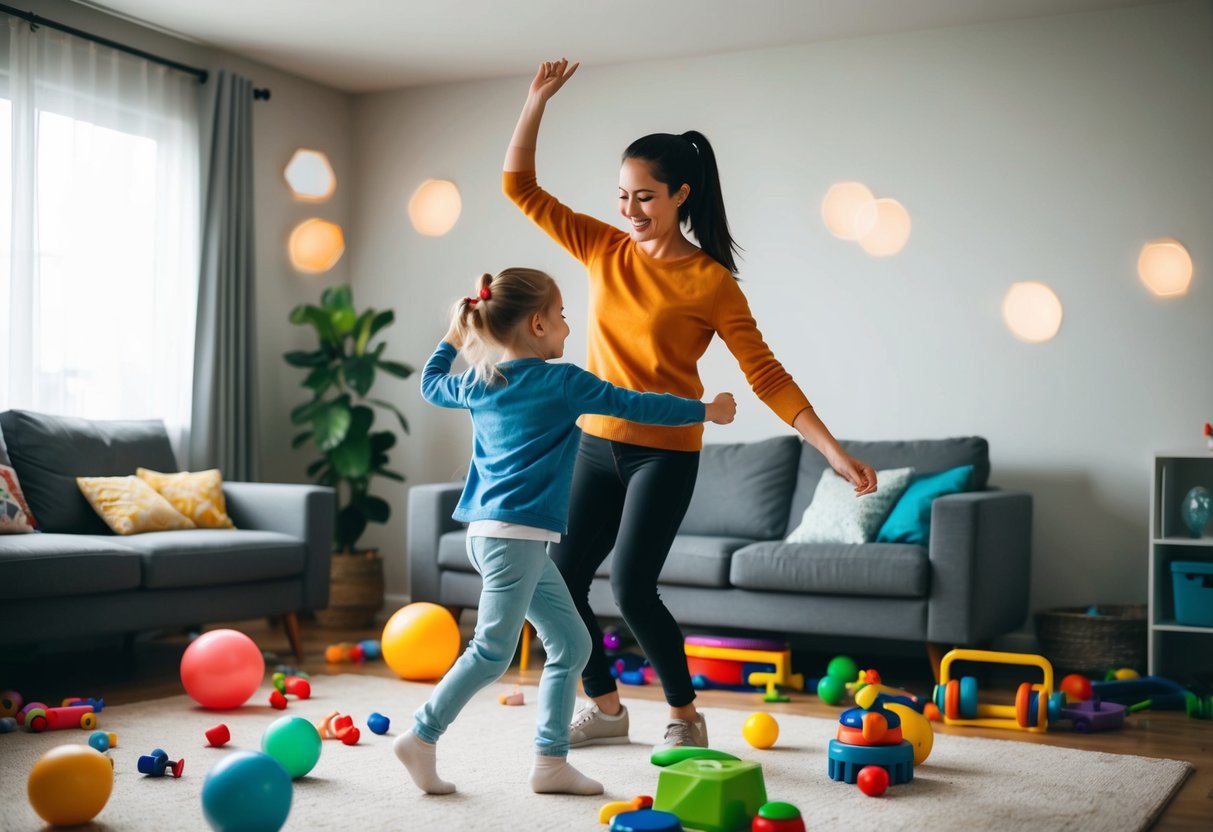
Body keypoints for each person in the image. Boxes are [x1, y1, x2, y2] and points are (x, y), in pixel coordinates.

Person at [503, 59, 879, 752]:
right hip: (592, 443)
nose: (628, 210)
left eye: (643, 197)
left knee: (635, 587)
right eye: (621, 195)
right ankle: (607, 708)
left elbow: (765, 374)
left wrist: (830, 449)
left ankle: (683, 713)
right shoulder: (601, 248)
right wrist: (535, 101)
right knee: (558, 583)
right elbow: (518, 185)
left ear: (679, 195)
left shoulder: (710, 282)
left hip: (662, 453)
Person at [395, 267, 736, 796]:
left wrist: (454, 336)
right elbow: (634, 404)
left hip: (498, 539)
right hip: (515, 540)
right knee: (491, 652)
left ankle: (550, 763)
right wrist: (704, 410)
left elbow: (430, 383)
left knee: (572, 644)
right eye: (561, 317)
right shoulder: (561, 381)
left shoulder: (479, 381)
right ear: (536, 324)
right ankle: (421, 735)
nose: (567, 330)